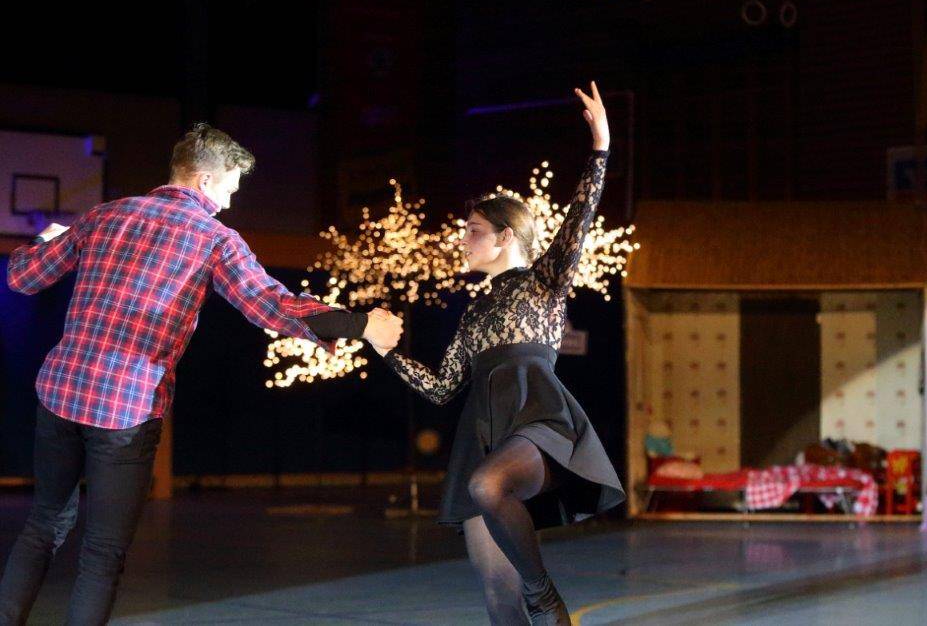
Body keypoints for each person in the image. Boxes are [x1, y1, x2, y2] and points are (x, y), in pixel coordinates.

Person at [0, 123, 401, 626]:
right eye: (231, 185)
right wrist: (360, 324)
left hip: (61, 392)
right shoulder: (214, 239)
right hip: (126, 408)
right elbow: (271, 305)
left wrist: (46, 236)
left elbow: (22, 276)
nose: (231, 200)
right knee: (102, 552)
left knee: (43, 525)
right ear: (205, 179)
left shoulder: (105, 214)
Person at [374, 82, 624, 625]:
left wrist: (600, 147)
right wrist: (385, 351)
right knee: (494, 590)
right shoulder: (474, 312)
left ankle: (543, 594)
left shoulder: (543, 282)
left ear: (506, 236)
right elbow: (442, 387)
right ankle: (530, 600)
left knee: (487, 484)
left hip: (538, 427)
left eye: (473, 230)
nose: (463, 240)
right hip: (484, 436)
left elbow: (579, 220)